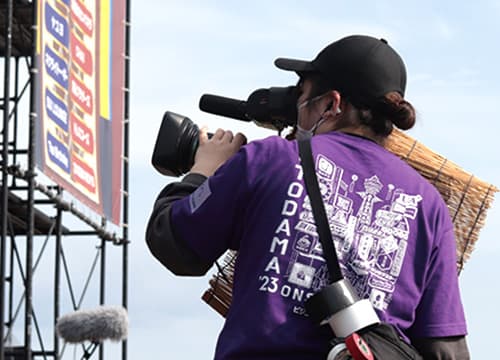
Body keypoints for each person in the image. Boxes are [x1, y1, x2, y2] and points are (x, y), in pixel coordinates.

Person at [146, 35, 470, 359]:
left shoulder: (269, 159)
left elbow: (174, 244)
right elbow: (448, 351)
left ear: (332, 104)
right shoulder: (428, 205)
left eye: (302, 93)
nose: (297, 105)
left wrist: (203, 170)